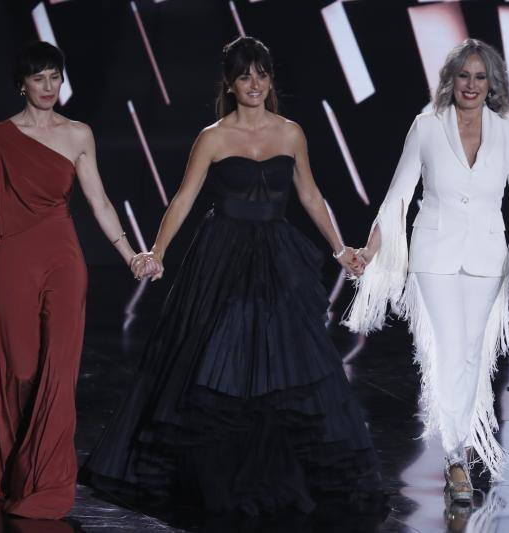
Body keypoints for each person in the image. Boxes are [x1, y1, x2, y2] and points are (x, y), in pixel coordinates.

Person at [82, 36, 383, 519]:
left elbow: (309, 194)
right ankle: (218, 475)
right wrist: (157, 252)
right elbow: (184, 198)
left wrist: (339, 248)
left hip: (278, 255)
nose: (255, 84)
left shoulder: (291, 133)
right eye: (245, 76)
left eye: (261, 74)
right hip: (223, 255)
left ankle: (273, 473)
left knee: (283, 359)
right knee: (224, 356)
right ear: (229, 83)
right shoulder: (214, 137)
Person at [345, 38, 509, 503]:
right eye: (464, 75)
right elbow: (398, 195)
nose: (471, 85)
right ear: (450, 80)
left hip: (486, 257)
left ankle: (462, 444)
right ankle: (455, 460)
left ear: (492, 84)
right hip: (434, 254)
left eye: (480, 77)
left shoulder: (508, 133)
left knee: (472, 356)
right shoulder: (427, 126)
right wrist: (371, 249)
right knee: (451, 350)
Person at [0, 41, 138, 519]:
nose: (48, 86)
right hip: (12, 262)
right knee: (21, 370)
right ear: (22, 84)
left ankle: (47, 483)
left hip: (64, 260)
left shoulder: (78, 133)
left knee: (59, 373)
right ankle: (13, 469)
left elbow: (99, 202)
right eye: (38, 77)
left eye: (54, 77)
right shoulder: (0, 136)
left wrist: (131, 255)